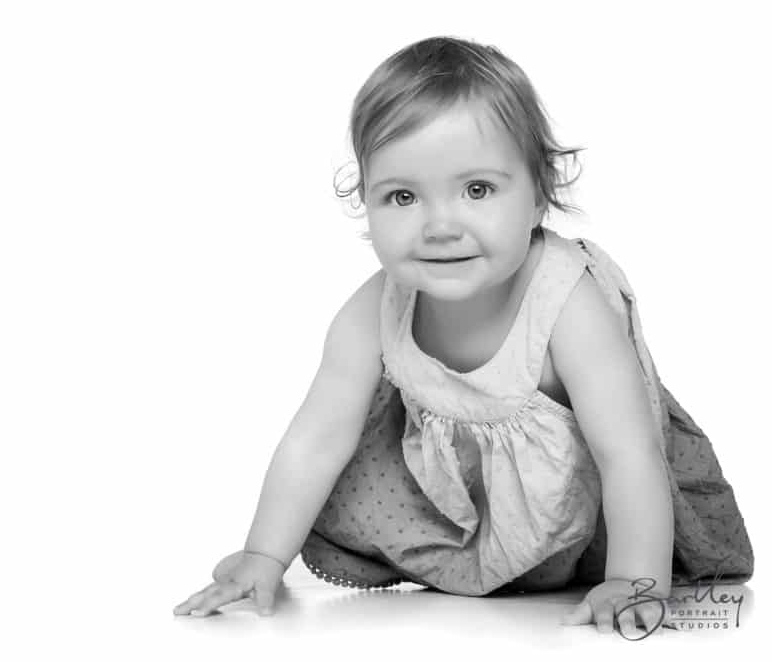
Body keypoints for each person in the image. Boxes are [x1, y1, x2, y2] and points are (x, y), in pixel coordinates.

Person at [173, 36, 753, 634]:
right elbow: (317, 437)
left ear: (538, 194)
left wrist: (637, 582)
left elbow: (627, 451)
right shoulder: (373, 309)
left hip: (600, 520)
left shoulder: (566, 303)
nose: (440, 226)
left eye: (477, 190)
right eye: (402, 196)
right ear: (363, 201)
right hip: (469, 515)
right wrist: (263, 556)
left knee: (626, 483)